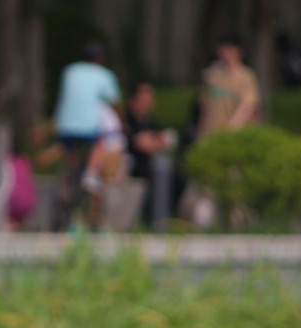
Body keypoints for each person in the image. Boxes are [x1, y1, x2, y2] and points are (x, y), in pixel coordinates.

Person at [50, 40, 122, 231]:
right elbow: (114, 101)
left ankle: (70, 175)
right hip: (88, 127)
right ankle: (90, 174)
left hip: (66, 125)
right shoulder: (104, 75)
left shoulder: (70, 71)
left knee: (71, 158)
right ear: (100, 59)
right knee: (100, 141)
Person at [122, 82, 184, 228]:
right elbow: (142, 144)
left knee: (178, 179)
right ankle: (153, 220)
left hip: (152, 164)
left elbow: (166, 138)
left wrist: (154, 140)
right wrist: (156, 141)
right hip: (135, 164)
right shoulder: (128, 119)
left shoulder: (149, 120)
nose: (149, 102)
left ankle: (167, 216)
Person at [197, 33, 260, 139]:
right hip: (211, 133)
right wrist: (201, 131)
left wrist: (230, 129)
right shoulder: (213, 73)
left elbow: (247, 107)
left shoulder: (246, 76)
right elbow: (205, 106)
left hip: (234, 135)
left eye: (228, 48)